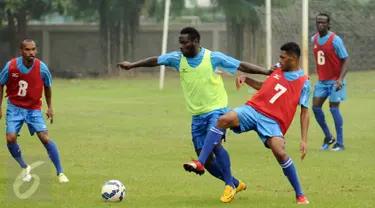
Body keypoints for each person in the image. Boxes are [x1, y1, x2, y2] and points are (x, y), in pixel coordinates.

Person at [117, 27, 272, 203]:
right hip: (197, 115)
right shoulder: (177, 59)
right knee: (206, 161)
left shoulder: (212, 58)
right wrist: (132, 65)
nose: (181, 46)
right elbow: (156, 60)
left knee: (214, 145)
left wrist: (266, 72)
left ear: (196, 42)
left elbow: (240, 65)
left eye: (185, 43)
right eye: (180, 43)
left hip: (218, 110)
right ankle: (234, 182)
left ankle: (229, 185)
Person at [184, 42, 310, 204]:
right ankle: (200, 162)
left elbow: (305, 112)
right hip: (253, 110)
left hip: (273, 122)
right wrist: (247, 79)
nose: (280, 61)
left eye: (283, 58)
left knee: (280, 152)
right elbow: (267, 87)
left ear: (294, 58)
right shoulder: (278, 68)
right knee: (224, 119)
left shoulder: (304, 82)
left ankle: (300, 194)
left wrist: (304, 139)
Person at [0, 39, 69, 183]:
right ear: (21, 52)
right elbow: (1, 84)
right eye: (27, 50)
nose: (31, 52)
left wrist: (49, 107)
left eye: (33, 49)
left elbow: (47, 87)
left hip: (33, 108)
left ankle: (60, 172)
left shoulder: (42, 68)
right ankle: (25, 168)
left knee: (44, 137)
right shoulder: (11, 66)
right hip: (15, 107)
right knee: (10, 138)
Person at [311, 12, 349, 151]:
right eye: (318, 22)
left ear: (328, 24)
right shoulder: (313, 39)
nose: (321, 24)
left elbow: (346, 59)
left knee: (333, 109)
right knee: (315, 107)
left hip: (335, 82)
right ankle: (328, 137)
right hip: (322, 81)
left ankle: (340, 142)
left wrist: (340, 79)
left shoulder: (335, 40)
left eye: (323, 22)